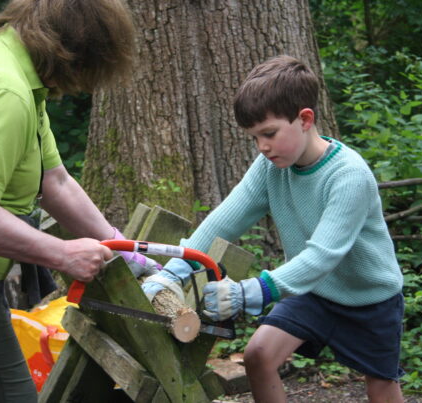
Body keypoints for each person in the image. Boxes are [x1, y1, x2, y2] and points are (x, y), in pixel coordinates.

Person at [0, 1, 161, 401]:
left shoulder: (15, 70)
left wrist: (126, 250)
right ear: (77, 52)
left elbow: (55, 182)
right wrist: (62, 254)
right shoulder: (2, 89)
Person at [142, 55, 405, 403]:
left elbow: (321, 256)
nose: (262, 147)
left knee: (381, 387)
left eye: (269, 134)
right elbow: (226, 219)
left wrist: (252, 292)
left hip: (370, 299)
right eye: (254, 138)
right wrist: (177, 267)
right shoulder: (270, 167)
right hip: (312, 294)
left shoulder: (348, 175)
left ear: (305, 119)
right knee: (259, 355)